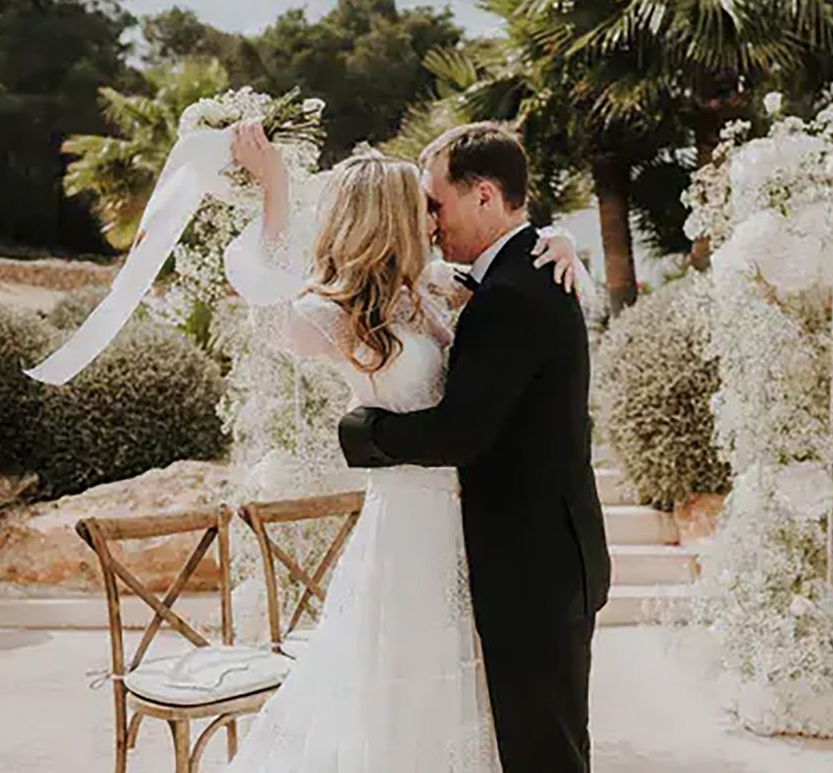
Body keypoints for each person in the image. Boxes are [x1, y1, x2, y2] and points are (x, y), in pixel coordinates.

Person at [224, 121, 585, 773]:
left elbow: (508, 274)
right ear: (390, 217)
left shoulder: (430, 291)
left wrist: (556, 240)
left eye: (434, 204)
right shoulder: (340, 313)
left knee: (472, 697)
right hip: (407, 526)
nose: (432, 217)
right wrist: (274, 189)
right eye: (421, 207)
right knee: (403, 694)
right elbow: (273, 317)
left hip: (469, 527)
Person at [339, 123, 610, 773]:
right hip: (547, 558)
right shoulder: (522, 271)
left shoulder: (514, 294)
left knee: (543, 752)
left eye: (436, 203)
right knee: (545, 741)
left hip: (531, 571)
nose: (429, 223)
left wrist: (363, 433)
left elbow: (459, 432)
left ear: (484, 195)